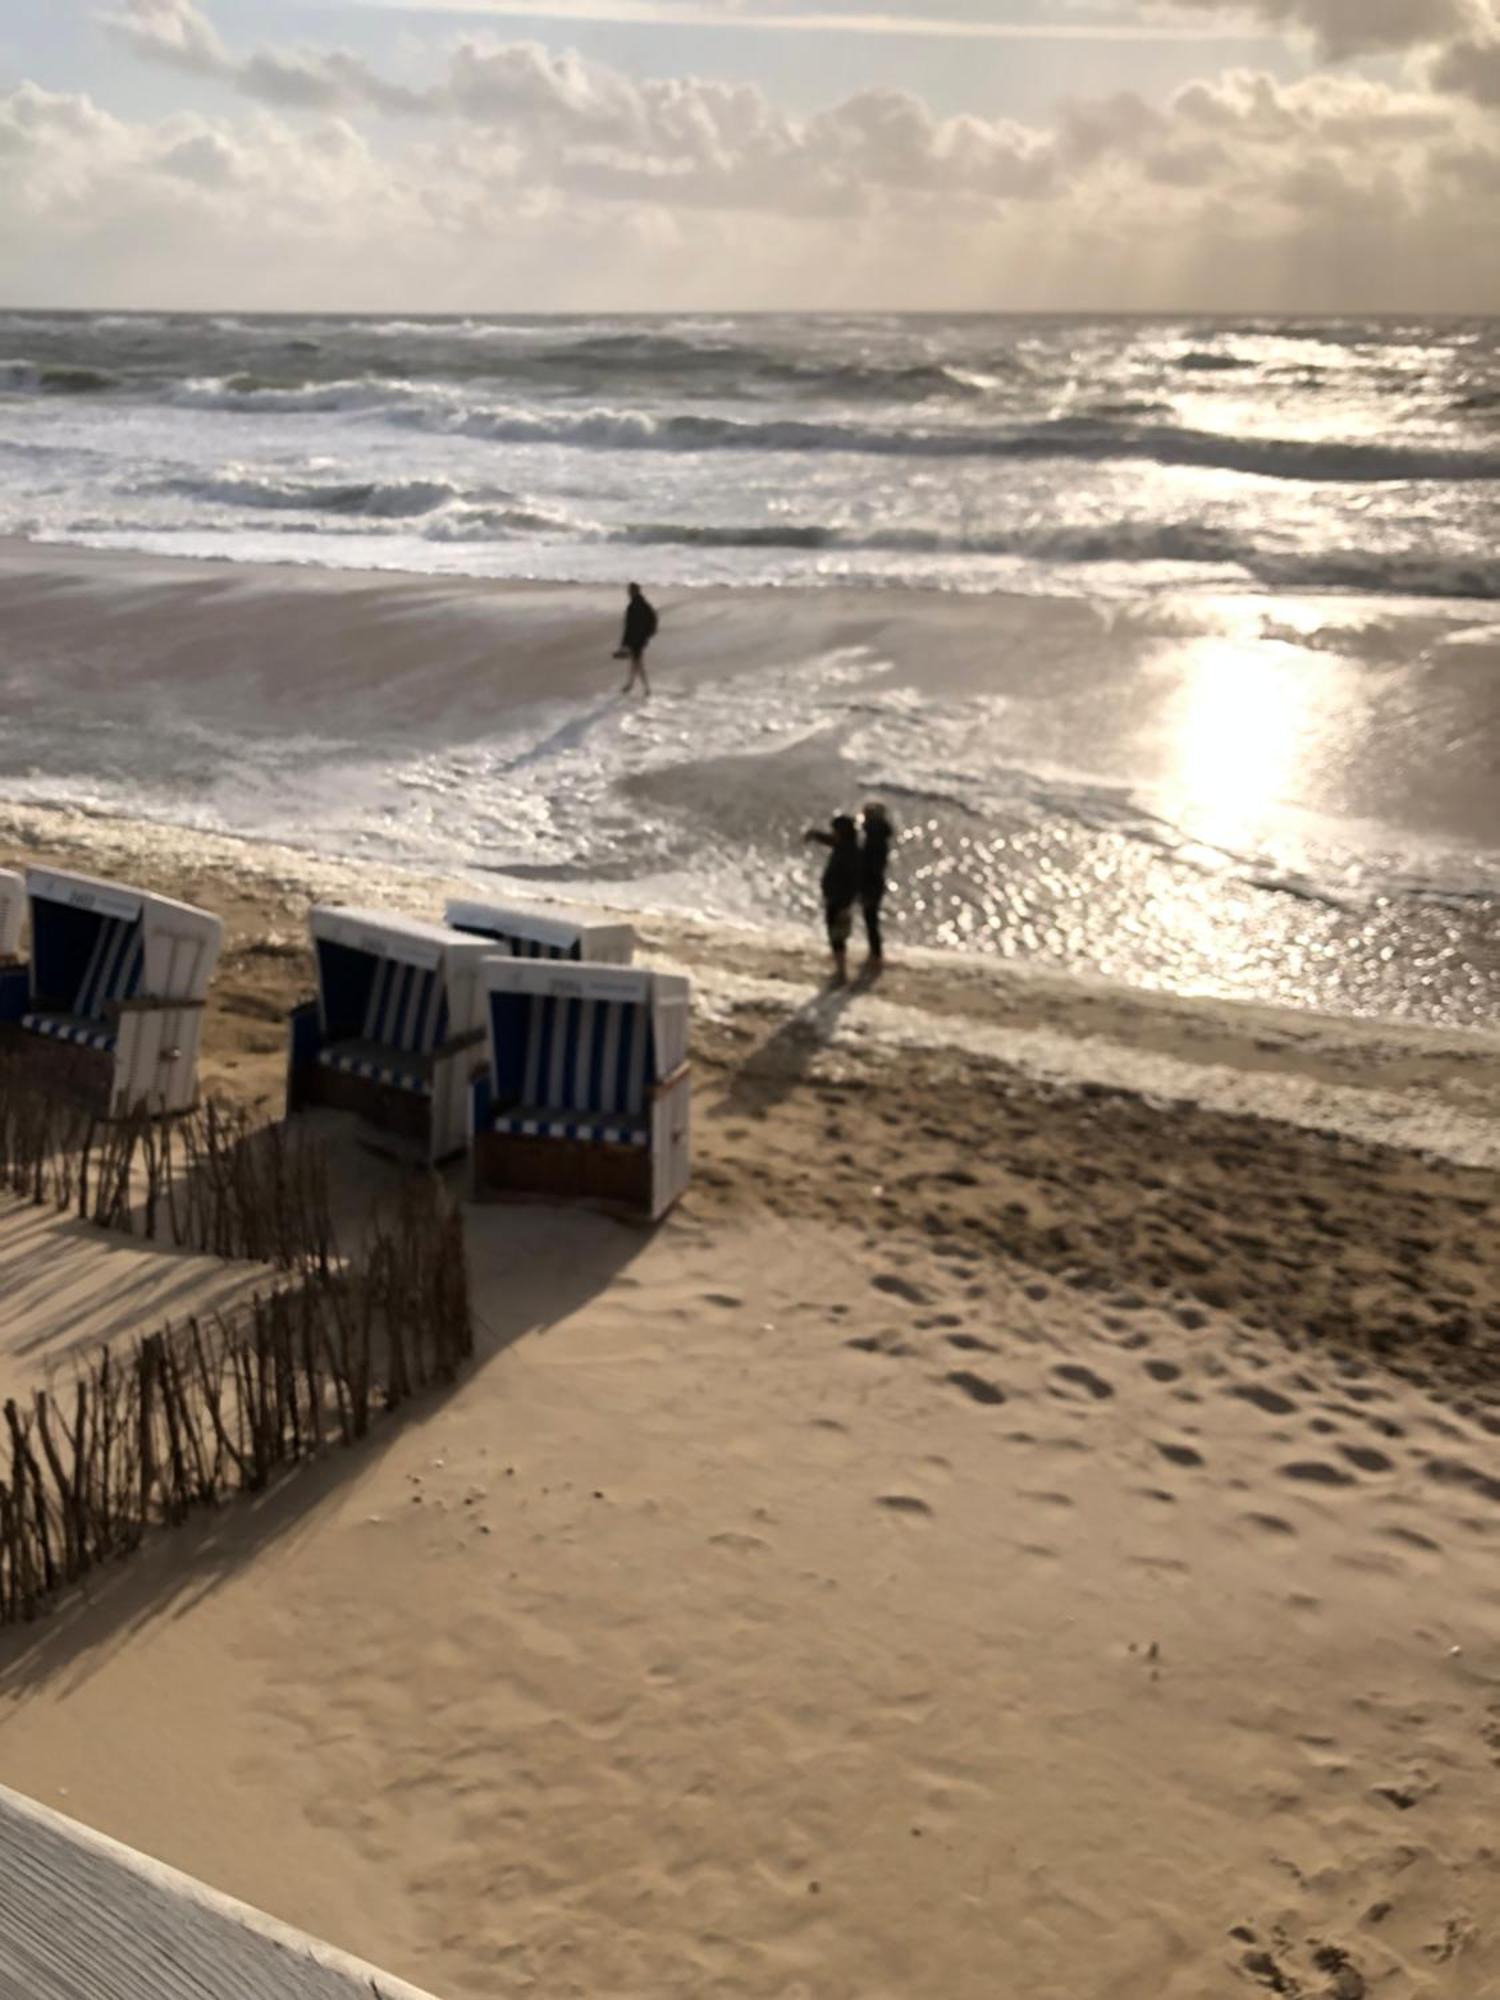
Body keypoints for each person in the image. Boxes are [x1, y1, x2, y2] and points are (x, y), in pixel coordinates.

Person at [804, 813, 861, 983]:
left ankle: (841, 972)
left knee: (837, 936)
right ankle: (839, 968)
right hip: (837, 898)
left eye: (835, 830)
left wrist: (845, 901)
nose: (833, 833)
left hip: (840, 899)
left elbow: (852, 880)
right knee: (836, 934)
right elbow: (830, 841)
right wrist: (814, 835)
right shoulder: (846, 846)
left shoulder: (848, 852)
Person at [859, 801, 893, 965]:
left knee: (870, 919)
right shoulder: (878, 837)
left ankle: (876, 955)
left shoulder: (873, 838)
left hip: (871, 882)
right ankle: (875, 954)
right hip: (874, 881)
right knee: (871, 919)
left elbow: (870, 864)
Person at [615, 582, 658, 696]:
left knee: (637, 662)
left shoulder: (633, 606)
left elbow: (629, 627)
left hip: (635, 639)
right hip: (641, 638)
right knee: (635, 662)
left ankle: (646, 688)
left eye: (629, 591)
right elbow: (653, 619)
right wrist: (649, 633)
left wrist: (624, 643)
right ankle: (631, 685)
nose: (628, 593)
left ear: (633, 591)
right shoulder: (644, 604)